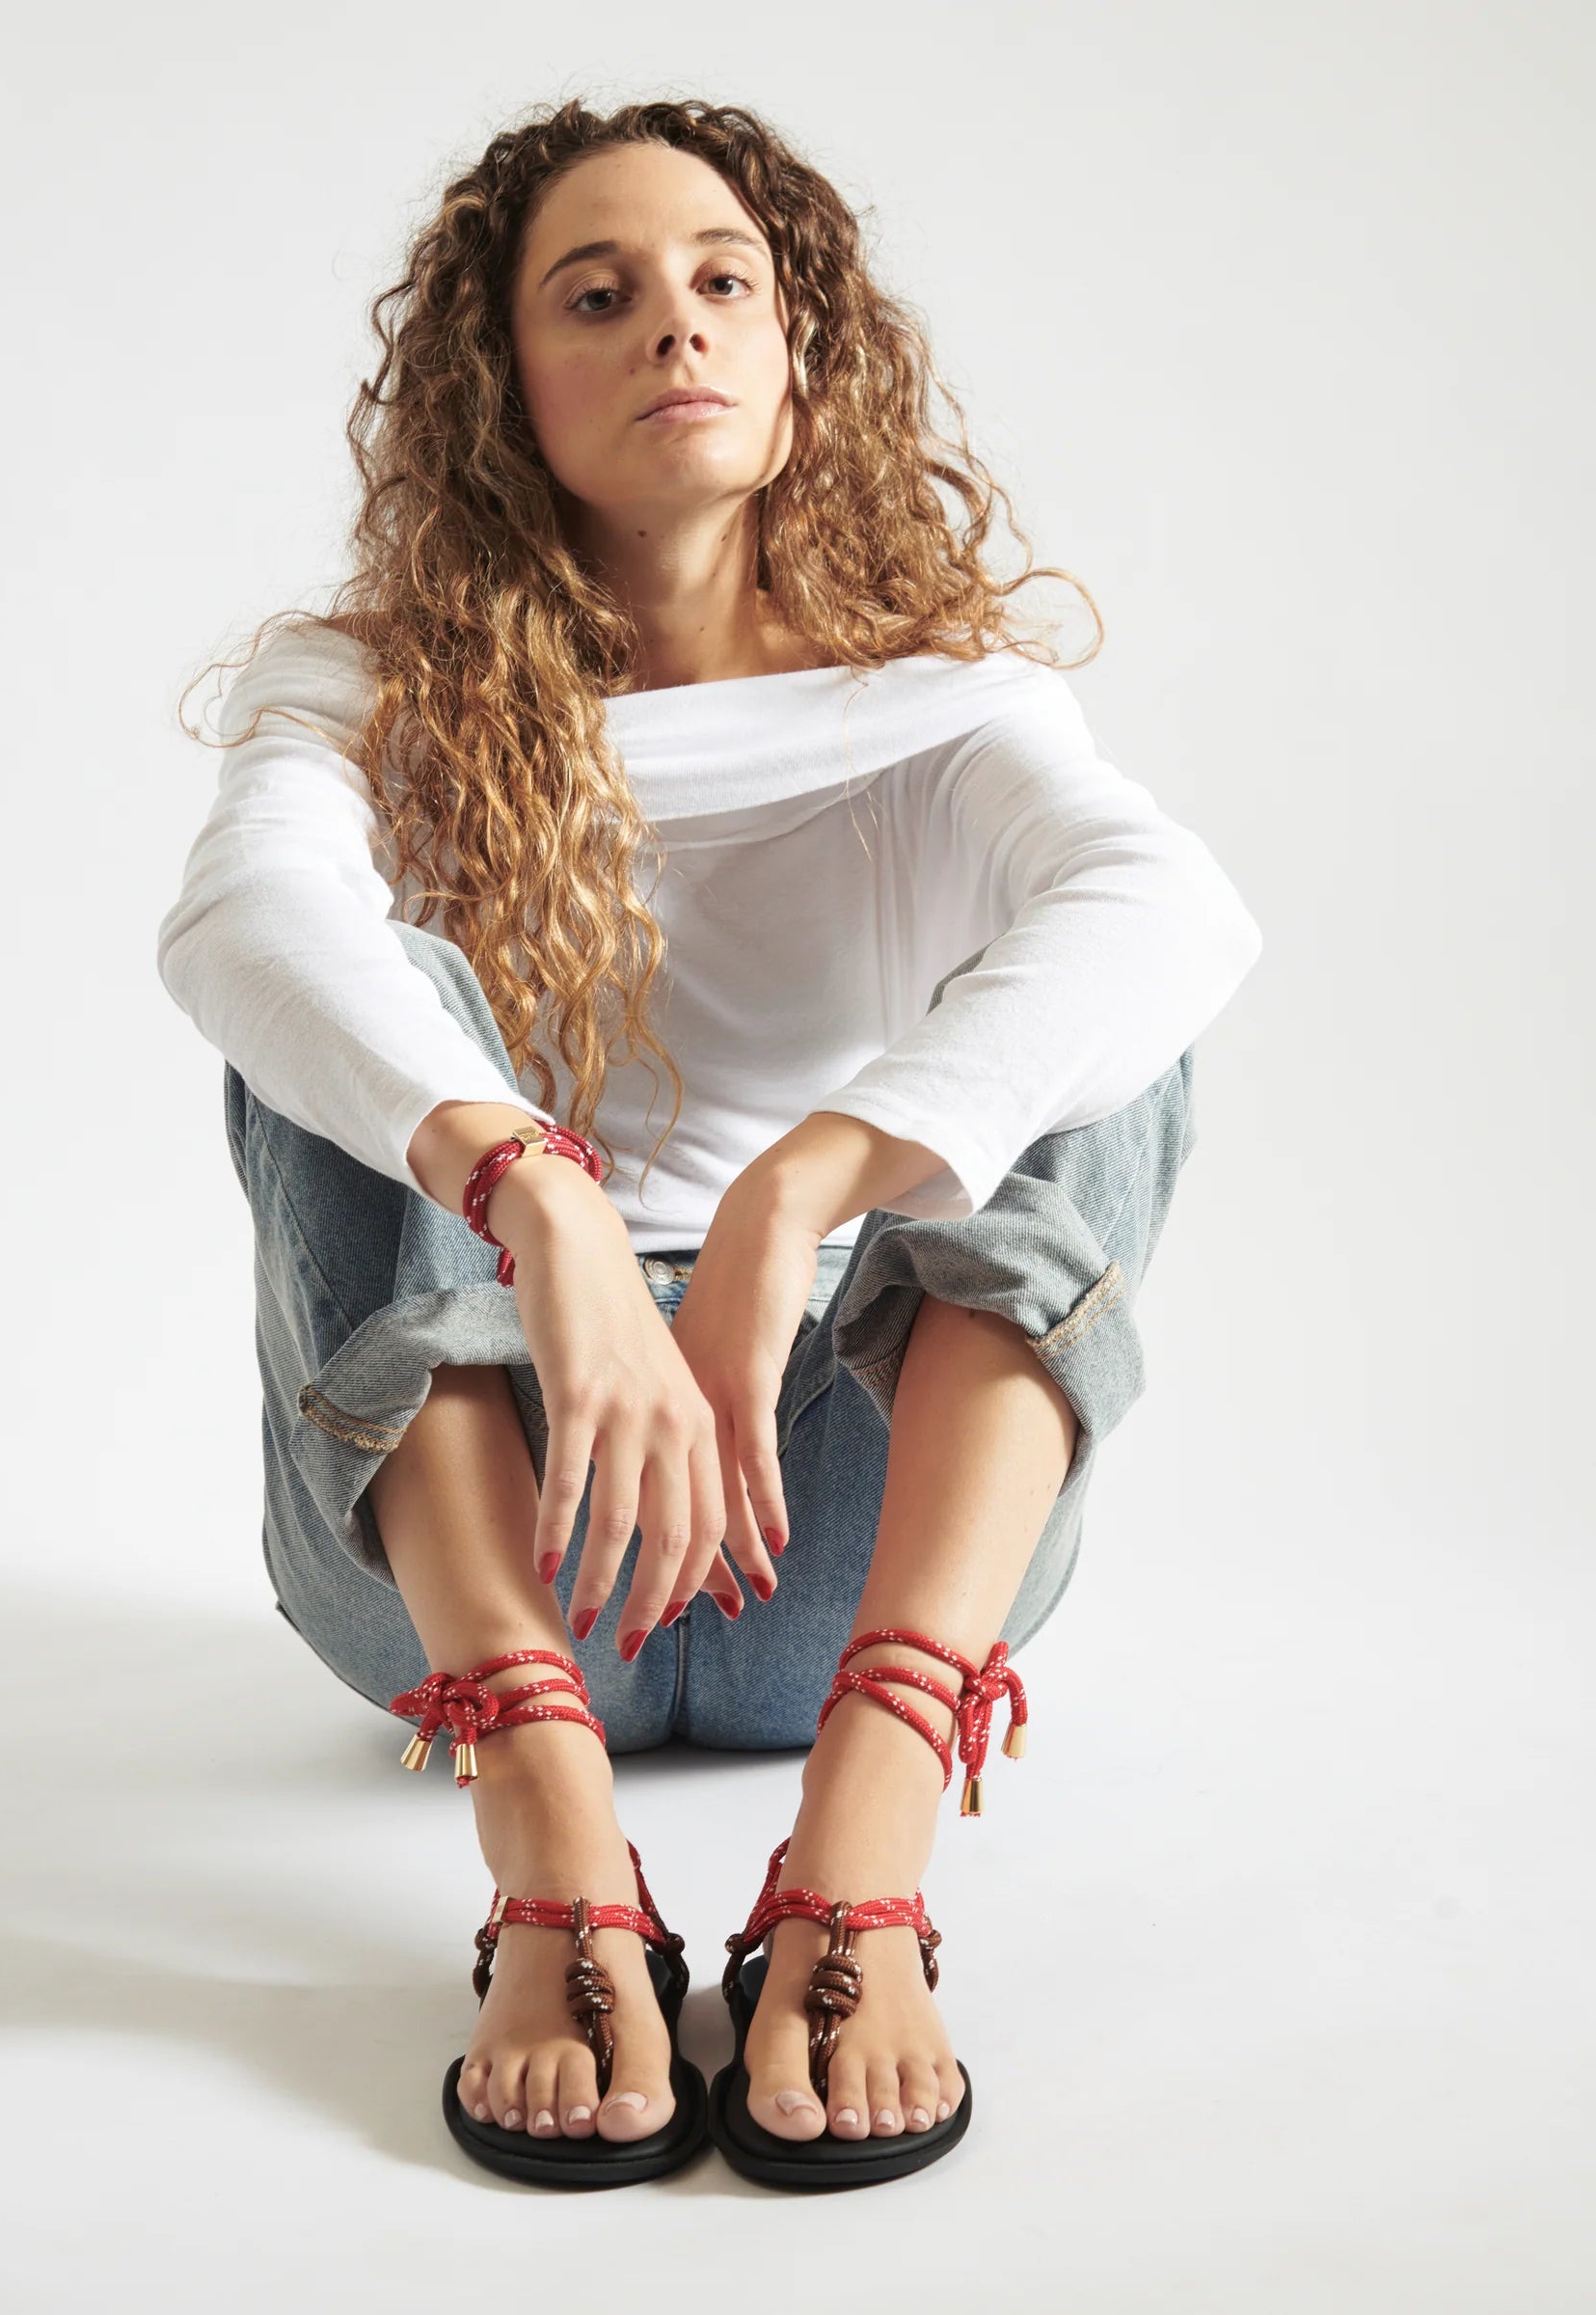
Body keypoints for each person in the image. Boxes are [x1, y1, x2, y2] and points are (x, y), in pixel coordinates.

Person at [155, 95, 1263, 2191]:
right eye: (599, 294)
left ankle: (864, 1851)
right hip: (490, 1555)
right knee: (353, 1007)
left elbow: (1174, 912)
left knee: (1096, 1010)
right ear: (503, 385)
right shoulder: (367, 691)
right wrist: (543, 1199)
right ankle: (553, 1848)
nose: (675, 323)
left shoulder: (936, 701)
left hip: (834, 1528)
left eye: (723, 281)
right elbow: (242, 925)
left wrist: (800, 1188)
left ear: (796, 358)